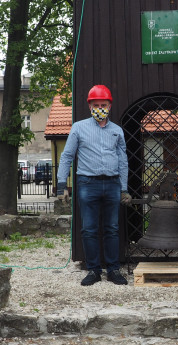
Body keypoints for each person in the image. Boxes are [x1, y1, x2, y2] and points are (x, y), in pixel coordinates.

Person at [57, 84, 131, 286]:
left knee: (112, 229)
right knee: (89, 229)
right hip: (87, 184)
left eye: (103, 104)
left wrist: (124, 188)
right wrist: (61, 184)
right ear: (90, 106)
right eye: (96, 104)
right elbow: (67, 156)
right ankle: (93, 271)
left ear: (110, 106)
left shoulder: (117, 131)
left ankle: (113, 269)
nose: (100, 108)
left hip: (112, 184)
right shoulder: (78, 128)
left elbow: (123, 160)